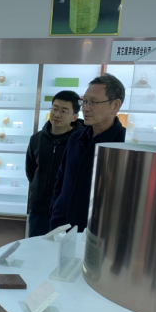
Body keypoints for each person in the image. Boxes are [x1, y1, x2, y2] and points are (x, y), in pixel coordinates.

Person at [50, 74, 126, 233]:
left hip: (101, 233)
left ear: (115, 105)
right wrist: (56, 209)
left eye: (93, 102)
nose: (85, 108)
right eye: (84, 101)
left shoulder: (125, 144)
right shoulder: (75, 139)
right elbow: (61, 180)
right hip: (62, 229)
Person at [26, 91, 83, 237]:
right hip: (39, 210)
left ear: (74, 116)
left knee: (63, 250)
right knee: (36, 247)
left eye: (64, 111)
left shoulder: (80, 142)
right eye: (55, 109)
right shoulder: (36, 139)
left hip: (67, 212)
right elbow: (31, 170)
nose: (57, 114)